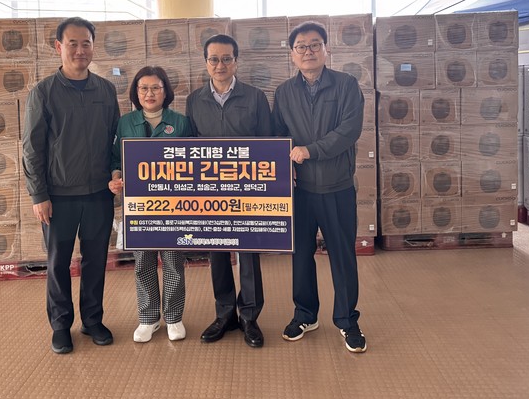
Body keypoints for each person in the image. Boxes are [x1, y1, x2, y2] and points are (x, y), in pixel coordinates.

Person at [22, 17, 120, 355]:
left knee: (95, 261)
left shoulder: (105, 90)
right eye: (73, 43)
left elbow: (115, 140)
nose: (80, 50)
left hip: (98, 195)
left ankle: (92, 320)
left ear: (93, 46)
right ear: (58, 47)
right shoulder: (44, 92)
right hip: (58, 196)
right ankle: (61, 325)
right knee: (57, 263)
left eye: (86, 43)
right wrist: (39, 195)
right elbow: (32, 148)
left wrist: (116, 175)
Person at [271, 21, 367, 353]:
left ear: (326, 50)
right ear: (292, 54)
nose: (308, 51)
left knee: (342, 255)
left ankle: (347, 320)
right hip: (299, 189)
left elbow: (349, 130)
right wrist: (283, 166)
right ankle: (305, 315)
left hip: (337, 186)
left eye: (315, 45)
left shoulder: (346, 85)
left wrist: (311, 150)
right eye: (301, 46)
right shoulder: (284, 92)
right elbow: (278, 134)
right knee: (300, 255)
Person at [185, 34, 272, 348]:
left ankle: (249, 316)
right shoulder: (194, 100)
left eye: (226, 59)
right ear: (205, 62)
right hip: (211, 191)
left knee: (248, 253)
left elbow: (268, 143)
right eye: (213, 59)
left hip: (247, 188)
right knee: (217, 252)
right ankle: (224, 314)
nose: (219, 65)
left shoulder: (255, 97)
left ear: (236, 61)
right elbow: (190, 146)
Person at [108, 66, 192, 343]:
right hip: (138, 205)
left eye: (156, 87)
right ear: (136, 92)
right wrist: (116, 178)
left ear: (165, 91)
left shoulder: (180, 123)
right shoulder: (125, 123)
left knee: (173, 261)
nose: (149, 93)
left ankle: (174, 317)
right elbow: (115, 159)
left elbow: (194, 160)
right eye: (143, 88)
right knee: (143, 261)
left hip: (172, 206)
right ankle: (148, 318)